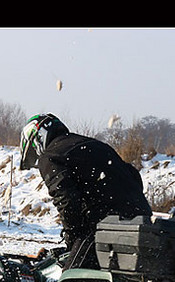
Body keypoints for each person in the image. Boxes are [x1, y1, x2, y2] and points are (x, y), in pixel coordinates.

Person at [19, 113, 152, 269]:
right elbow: (132, 175)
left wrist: (72, 237)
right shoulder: (96, 145)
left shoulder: (51, 156)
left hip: (103, 227)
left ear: (38, 139)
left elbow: (66, 199)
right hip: (141, 223)